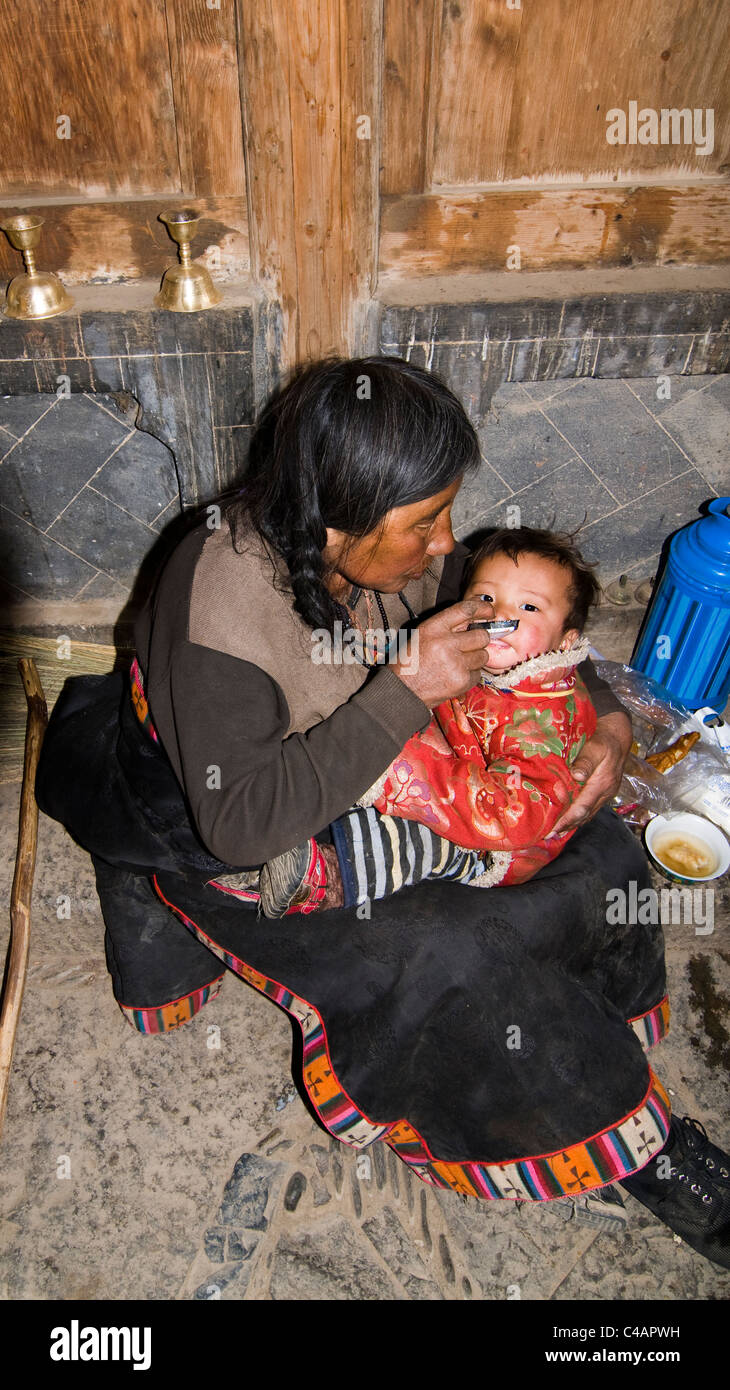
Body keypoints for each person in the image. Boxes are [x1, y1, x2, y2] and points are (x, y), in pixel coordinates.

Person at [35, 355, 730, 1269]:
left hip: (385, 770)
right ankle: (640, 1151)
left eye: (445, 512)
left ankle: (595, 1031)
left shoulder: (379, 549)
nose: (447, 545)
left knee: (594, 846)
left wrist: (600, 725)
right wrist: (405, 690)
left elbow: (524, 621)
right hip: (243, 833)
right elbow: (238, 823)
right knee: (456, 952)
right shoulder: (222, 608)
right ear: (336, 518)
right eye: (424, 523)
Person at [246, 525, 603, 917]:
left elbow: (514, 818)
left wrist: (402, 771)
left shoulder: (538, 722)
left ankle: (328, 878)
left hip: (501, 841)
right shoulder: (499, 664)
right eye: (485, 597)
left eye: (529, 607)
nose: (500, 614)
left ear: (566, 643)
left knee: (418, 842)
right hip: (460, 762)